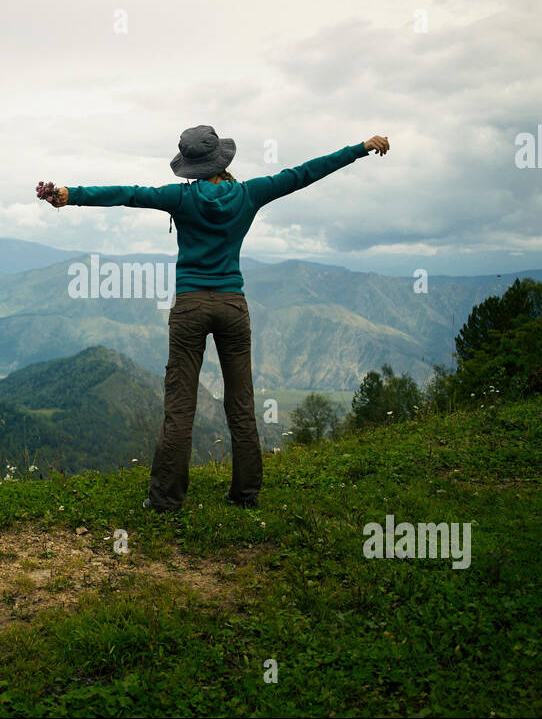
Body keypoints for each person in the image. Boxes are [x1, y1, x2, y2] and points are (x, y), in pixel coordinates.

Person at [45, 125, 390, 511]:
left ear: (191, 167)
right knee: (241, 403)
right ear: (222, 162)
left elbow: (128, 194)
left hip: (190, 307)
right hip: (232, 306)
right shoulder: (249, 193)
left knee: (180, 405)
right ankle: (245, 494)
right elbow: (304, 173)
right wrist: (360, 148)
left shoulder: (180, 197)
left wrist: (70, 194)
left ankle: (165, 498)